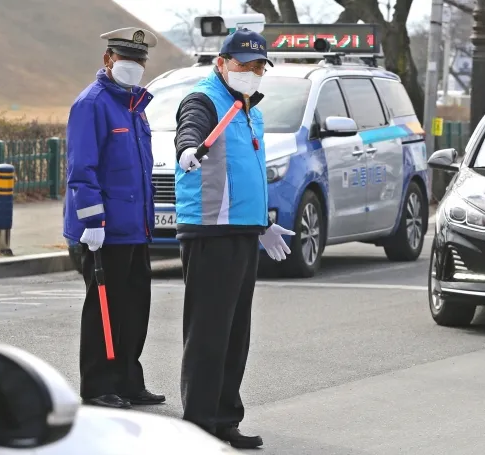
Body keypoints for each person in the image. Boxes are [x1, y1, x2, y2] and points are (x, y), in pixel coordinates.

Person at [173, 28, 294, 449]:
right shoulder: (205, 99)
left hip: (241, 231)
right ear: (221, 63)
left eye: (259, 66)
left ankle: (225, 418)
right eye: (244, 65)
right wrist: (188, 149)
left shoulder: (248, 109)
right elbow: (190, 130)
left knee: (234, 333)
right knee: (208, 333)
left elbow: (244, 174)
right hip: (210, 231)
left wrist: (261, 223)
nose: (253, 72)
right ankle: (199, 425)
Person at [63, 27, 165, 409]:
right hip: (104, 231)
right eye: (127, 59)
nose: (135, 67)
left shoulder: (134, 107)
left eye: (140, 60)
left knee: (135, 307)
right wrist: (92, 222)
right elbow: (82, 169)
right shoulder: (92, 104)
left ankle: (127, 380)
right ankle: (98, 386)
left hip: (135, 228)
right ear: (108, 59)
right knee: (104, 310)